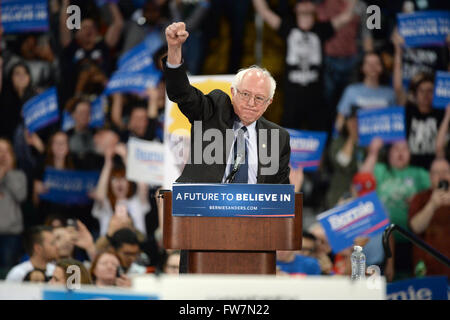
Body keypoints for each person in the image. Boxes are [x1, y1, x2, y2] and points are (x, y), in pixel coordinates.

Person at [165, 22, 291, 272]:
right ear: (233, 92)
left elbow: (278, 195)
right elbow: (181, 92)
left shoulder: (278, 137)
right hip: (203, 226)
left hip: (253, 235)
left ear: (269, 103)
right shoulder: (212, 110)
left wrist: (287, 200)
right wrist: (174, 50)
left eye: (259, 98)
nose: (251, 103)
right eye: (245, 95)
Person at [253, 0, 357, 132]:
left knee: (319, 136)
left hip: (316, 98)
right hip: (292, 99)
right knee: (288, 138)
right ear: (296, 8)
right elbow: (264, 11)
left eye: (310, 2)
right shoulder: (287, 27)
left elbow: (347, 16)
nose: (306, 4)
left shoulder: (321, 29)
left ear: (314, 8)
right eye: (302, 1)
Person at [360, 139, 430, 280]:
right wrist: (373, 153)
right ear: (388, 153)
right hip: (381, 243)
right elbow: (360, 181)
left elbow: (432, 195)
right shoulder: (380, 170)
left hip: (411, 240)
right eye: (396, 149)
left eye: (404, 149)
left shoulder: (420, 173)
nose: (400, 153)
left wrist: (418, 198)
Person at [408, 158, 450, 278]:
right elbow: (415, 228)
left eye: (445, 171)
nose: (441, 175)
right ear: (430, 177)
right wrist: (432, 205)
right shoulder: (420, 198)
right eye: (436, 172)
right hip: (427, 270)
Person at [335, 51, 396, 131]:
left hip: (383, 135)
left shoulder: (390, 93)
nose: (372, 67)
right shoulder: (351, 90)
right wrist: (338, 135)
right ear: (362, 67)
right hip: (357, 135)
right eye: (369, 64)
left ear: (381, 67)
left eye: (376, 63)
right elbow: (340, 118)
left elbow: (395, 120)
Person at [0, 139, 28, 274]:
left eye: (6, 151)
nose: (2, 155)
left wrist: (8, 173)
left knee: (8, 270)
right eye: (0, 151)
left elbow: (21, 196)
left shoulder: (18, 175)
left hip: (11, 233)